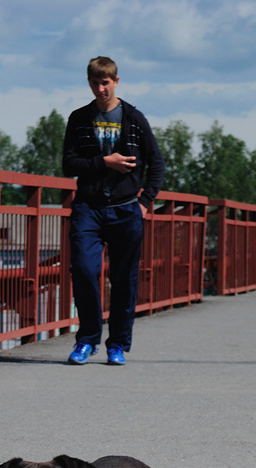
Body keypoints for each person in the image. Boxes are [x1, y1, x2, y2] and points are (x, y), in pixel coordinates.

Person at [62, 56, 165, 365]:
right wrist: (105, 162)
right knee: (83, 269)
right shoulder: (80, 118)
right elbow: (69, 164)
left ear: (116, 81)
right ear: (89, 82)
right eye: (95, 83)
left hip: (125, 210)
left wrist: (145, 202)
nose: (100, 89)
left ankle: (117, 344)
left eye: (105, 83)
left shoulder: (133, 118)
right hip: (88, 209)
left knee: (123, 280)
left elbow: (156, 163)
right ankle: (87, 339)